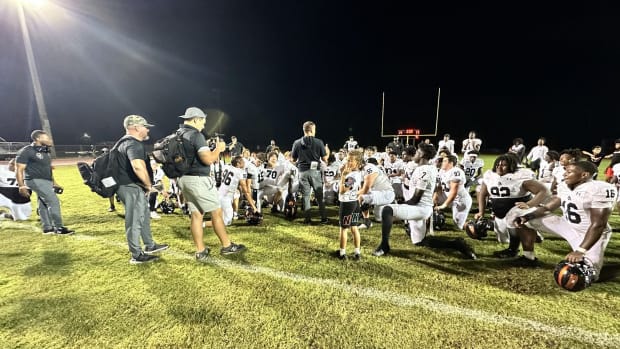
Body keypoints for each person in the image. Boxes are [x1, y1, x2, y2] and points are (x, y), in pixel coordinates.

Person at [513, 161, 615, 287]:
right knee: (522, 218)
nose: (565, 174)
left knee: (589, 275)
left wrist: (580, 250)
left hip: (590, 233)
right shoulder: (564, 186)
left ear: (584, 175)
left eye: (569, 172)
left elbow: (598, 224)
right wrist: (528, 216)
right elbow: (549, 206)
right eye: (565, 171)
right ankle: (529, 257)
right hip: (567, 225)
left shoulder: (598, 189)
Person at [372, 143, 476, 259]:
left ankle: (384, 246)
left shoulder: (424, 170)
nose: (414, 155)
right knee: (420, 241)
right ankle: (456, 244)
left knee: (387, 210)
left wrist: (400, 204)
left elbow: (416, 198)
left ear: (421, 154)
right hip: (422, 207)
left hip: (419, 208)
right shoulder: (426, 168)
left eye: (417, 152)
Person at [176, 107, 246, 260]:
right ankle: (227, 246)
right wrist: (219, 150)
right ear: (195, 119)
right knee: (217, 212)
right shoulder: (195, 135)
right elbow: (207, 159)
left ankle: (200, 251)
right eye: (203, 122)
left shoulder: (178, 134)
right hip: (198, 179)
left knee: (196, 215)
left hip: (183, 179)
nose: (203, 125)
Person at [115, 115, 169, 264]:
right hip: (130, 187)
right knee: (134, 220)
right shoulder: (133, 143)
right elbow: (138, 166)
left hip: (130, 186)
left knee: (143, 216)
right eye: (145, 127)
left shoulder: (124, 142)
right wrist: (148, 185)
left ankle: (150, 245)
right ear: (136, 127)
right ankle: (136, 255)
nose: (147, 130)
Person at [475, 153, 550, 259]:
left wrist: (529, 204)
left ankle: (514, 250)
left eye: (503, 165)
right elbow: (482, 194)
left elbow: (543, 191)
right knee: (503, 237)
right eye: (497, 164)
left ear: (511, 166)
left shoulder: (519, 176)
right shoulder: (490, 175)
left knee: (515, 220)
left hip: (517, 211)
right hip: (499, 213)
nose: (499, 167)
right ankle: (532, 234)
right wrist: (481, 212)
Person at [15, 130, 74, 235]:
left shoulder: (45, 151)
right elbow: (19, 169)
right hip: (34, 180)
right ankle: (59, 227)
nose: (49, 140)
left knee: (43, 204)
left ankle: (47, 228)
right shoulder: (27, 151)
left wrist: (54, 182)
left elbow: (48, 169)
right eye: (46, 138)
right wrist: (21, 186)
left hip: (46, 180)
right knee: (53, 201)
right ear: (38, 139)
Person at [291, 121, 330, 224]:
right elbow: (325, 159)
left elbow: (293, 159)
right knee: (319, 197)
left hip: (302, 172)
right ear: (312, 130)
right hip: (315, 172)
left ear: (304, 130)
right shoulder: (319, 142)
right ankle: (324, 218)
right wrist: (327, 152)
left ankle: (307, 219)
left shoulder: (296, 142)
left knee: (306, 197)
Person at [336, 149, 364, 260]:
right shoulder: (358, 173)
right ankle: (357, 252)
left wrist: (343, 175)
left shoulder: (351, 176)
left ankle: (342, 253)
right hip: (355, 203)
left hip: (347, 204)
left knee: (344, 228)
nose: (348, 162)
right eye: (347, 160)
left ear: (358, 163)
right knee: (354, 227)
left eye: (351, 160)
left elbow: (342, 190)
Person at [434, 154, 471, 230]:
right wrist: (435, 198)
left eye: (444, 161)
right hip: (448, 196)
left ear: (451, 163)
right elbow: (439, 187)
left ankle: (475, 225)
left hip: (460, 201)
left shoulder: (455, 171)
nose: (442, 163)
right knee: (429, 200)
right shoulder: (442, 171)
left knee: (458, 225)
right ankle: (432, 219)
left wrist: (444, 205)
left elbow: (454, 191)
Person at [357, 157, 395, 229]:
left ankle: (365, 222)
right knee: (379, 219)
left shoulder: (369, 167)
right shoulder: (361, 170)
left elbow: (366, 188)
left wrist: (353, 195)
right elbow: (362, 187)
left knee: (362, 198)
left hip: (386, 193)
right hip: (378, 194)